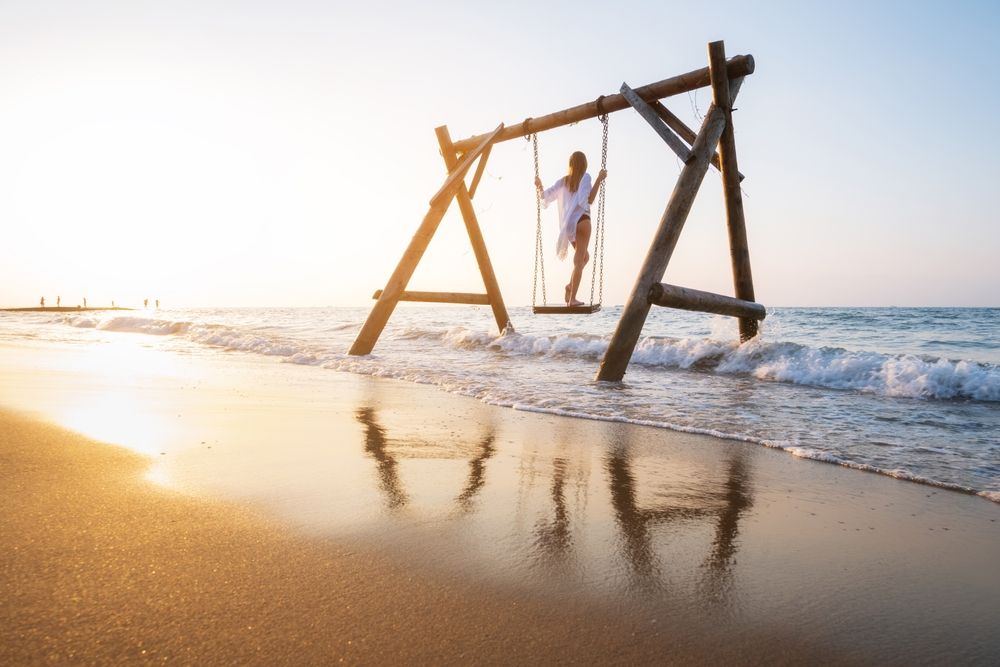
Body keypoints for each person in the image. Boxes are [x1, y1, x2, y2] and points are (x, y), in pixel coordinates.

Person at [535, 151, 607, 306]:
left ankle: (570, 286)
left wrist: (539, 185)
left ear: (571, 165)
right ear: (584, 164)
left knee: (584, 258)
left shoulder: (563, 181)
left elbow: (545, 197)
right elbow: (588, 200)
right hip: (582, 221)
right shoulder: (585, 177)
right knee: (579, 260)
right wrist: (599, 180)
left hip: (568, 226)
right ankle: (572, 299)